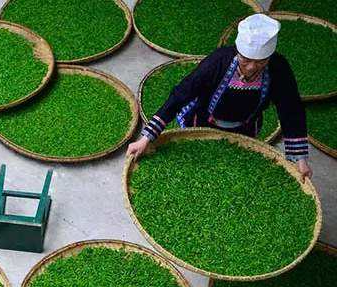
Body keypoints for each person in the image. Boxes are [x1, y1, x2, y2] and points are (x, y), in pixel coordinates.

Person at [127, 14, 312, 179]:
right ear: (238, 50)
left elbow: (291, 110)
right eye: (246, 60)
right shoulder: (218, 61)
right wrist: (147, 137)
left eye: (260, 62)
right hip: (204, 121)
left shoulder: (278, 68)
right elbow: (181, 94)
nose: (250, 68)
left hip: (246, 127)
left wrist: (300, 159)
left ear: (269, 57)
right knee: (197, 167)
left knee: (231, 172)